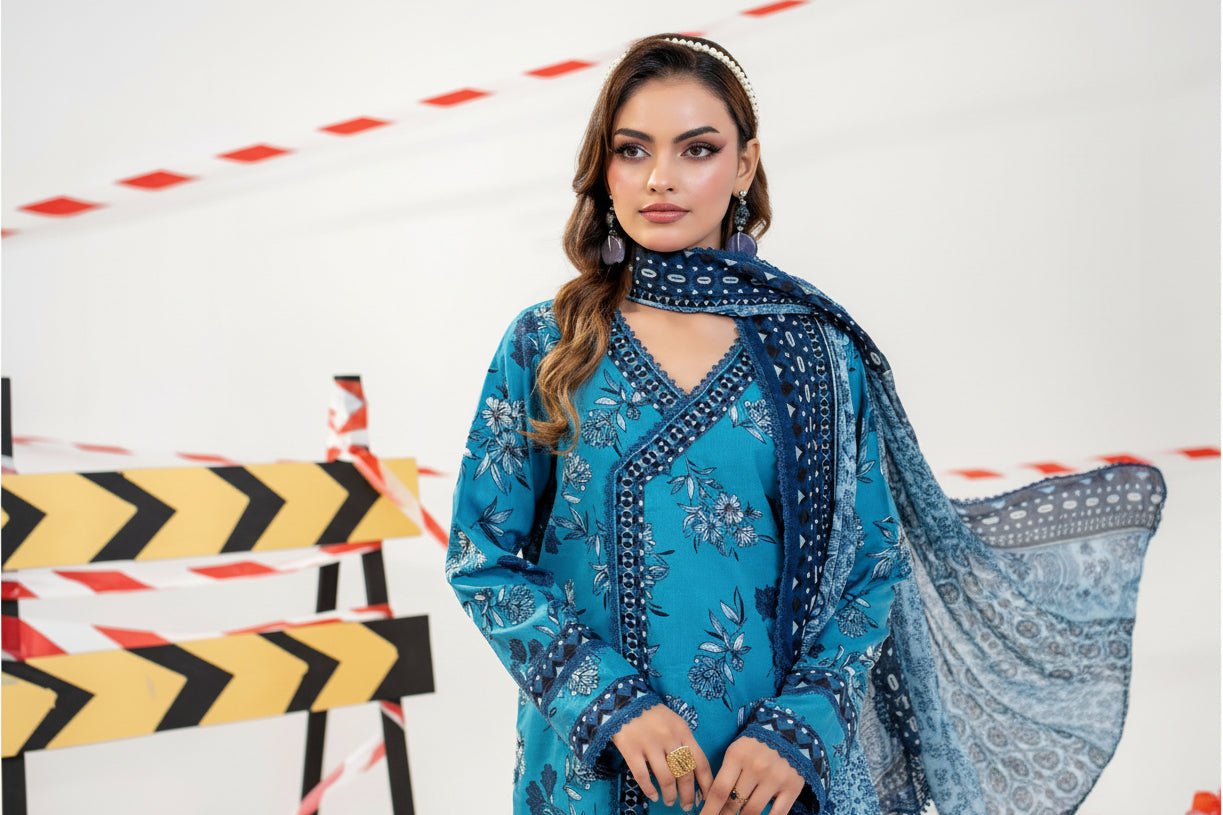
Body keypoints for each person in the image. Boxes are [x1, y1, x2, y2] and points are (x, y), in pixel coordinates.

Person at [446, 34, 1164, 815]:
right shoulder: (550, 343)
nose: (660, 178)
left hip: (765, 780)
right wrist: (610, 701)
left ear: (744, 166)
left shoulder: (814, 353)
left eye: (696, 149)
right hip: (594, 766)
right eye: (631, 149)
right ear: (603, 166)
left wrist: (798, 728)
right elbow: (482, 558)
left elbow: (872, 567)